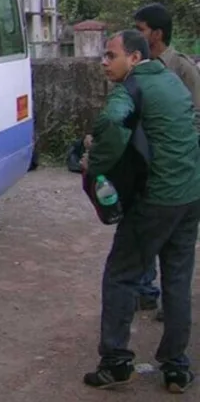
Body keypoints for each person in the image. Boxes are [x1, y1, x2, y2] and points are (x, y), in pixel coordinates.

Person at [82, 29, 200, 393]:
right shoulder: (173, 81)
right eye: (103, 55)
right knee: (178, 281)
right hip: (190, 196)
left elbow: (114, 125)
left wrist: (94, 163)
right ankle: (176, 367)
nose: (105, 62)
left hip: (156, 201)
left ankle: (115, 361)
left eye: (111, 55)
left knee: (121, 274)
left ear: (134, 58)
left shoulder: (131, 89)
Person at [133, 3, 200, 321]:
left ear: (157, 34)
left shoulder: (182, 69)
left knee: (171, 241)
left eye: (141, 29)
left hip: (175, 168)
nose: (137, 35)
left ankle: (170, 306)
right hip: (145, 164)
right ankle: (146, 292)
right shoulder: (138, 68)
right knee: (143, 230)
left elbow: (196, 116)